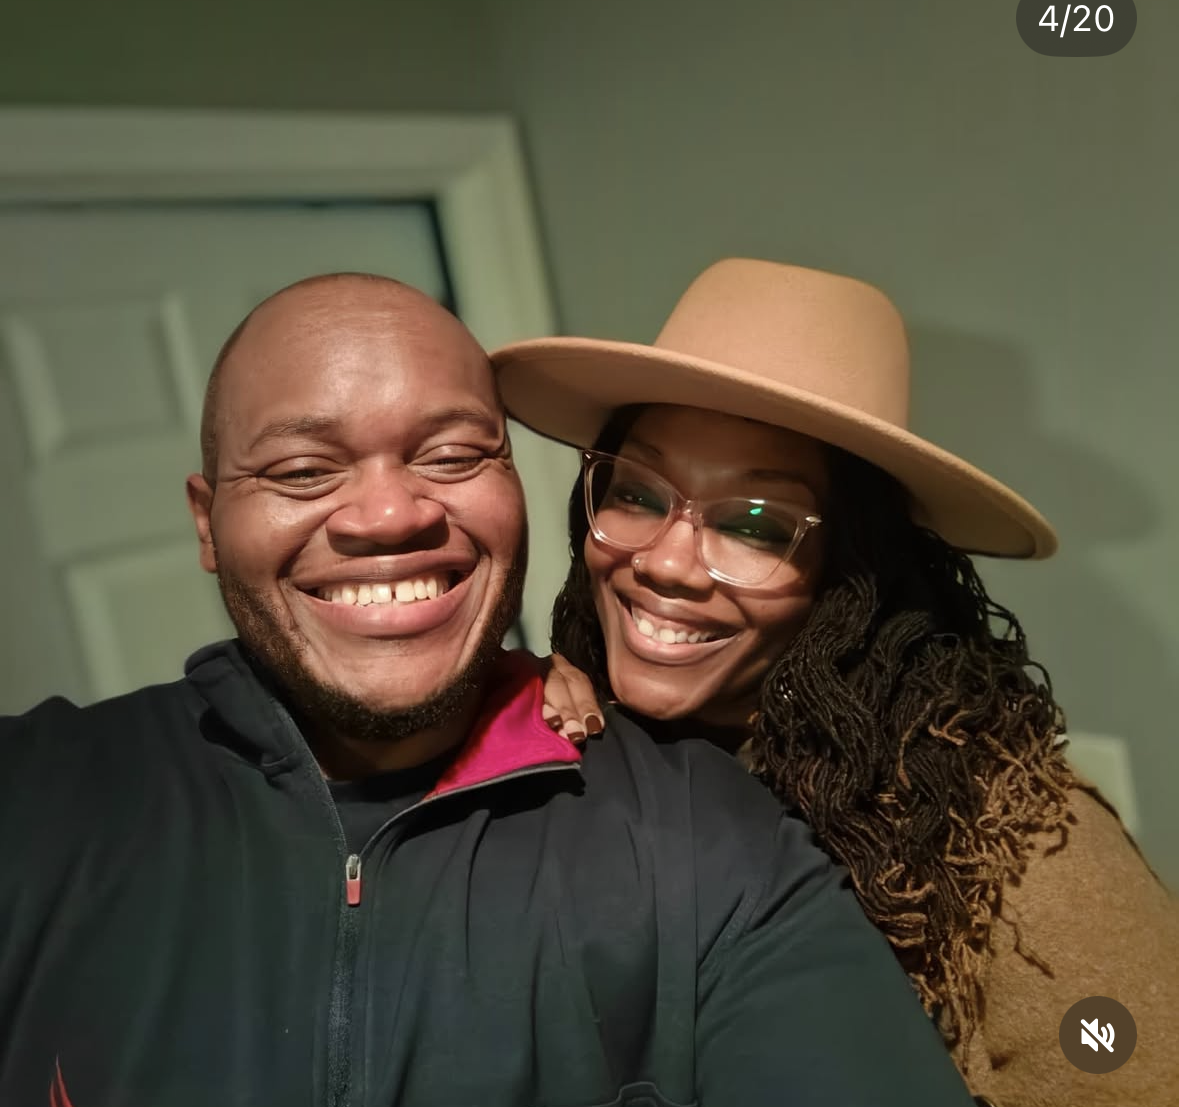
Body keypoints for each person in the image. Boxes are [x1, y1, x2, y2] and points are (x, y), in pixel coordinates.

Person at [0, 272, 976, 1107]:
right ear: (208, 524)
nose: (389, 514)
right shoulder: (36, 801)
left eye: (455, 453)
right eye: (302, 468)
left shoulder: (719, 841)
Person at [493, 258, 1179, 1107]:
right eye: (636, 490)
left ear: (850, 570)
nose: (665, 563)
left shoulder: (1008, 840)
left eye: (754, 524)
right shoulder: (545, 733)